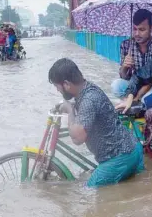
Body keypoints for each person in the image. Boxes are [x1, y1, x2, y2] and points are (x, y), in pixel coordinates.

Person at [48, 58, 144, 188]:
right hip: (133, 149)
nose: (57, 90)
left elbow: (77, 138)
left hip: (119, 158)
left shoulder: (88, 100)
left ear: (66, 84)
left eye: (57, 86)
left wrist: (70, 110)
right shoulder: (88, 88)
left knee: (86, 194)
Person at [111, 9, 152, 99]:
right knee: (116, 85)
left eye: (142, 29)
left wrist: (137, 96)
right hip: (134, 86)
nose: (137, 34)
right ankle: (132, 104)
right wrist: (125, 67)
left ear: (151, 29)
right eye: (134, 29)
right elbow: (123, 76)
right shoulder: (126, 45)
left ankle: (135, 104)